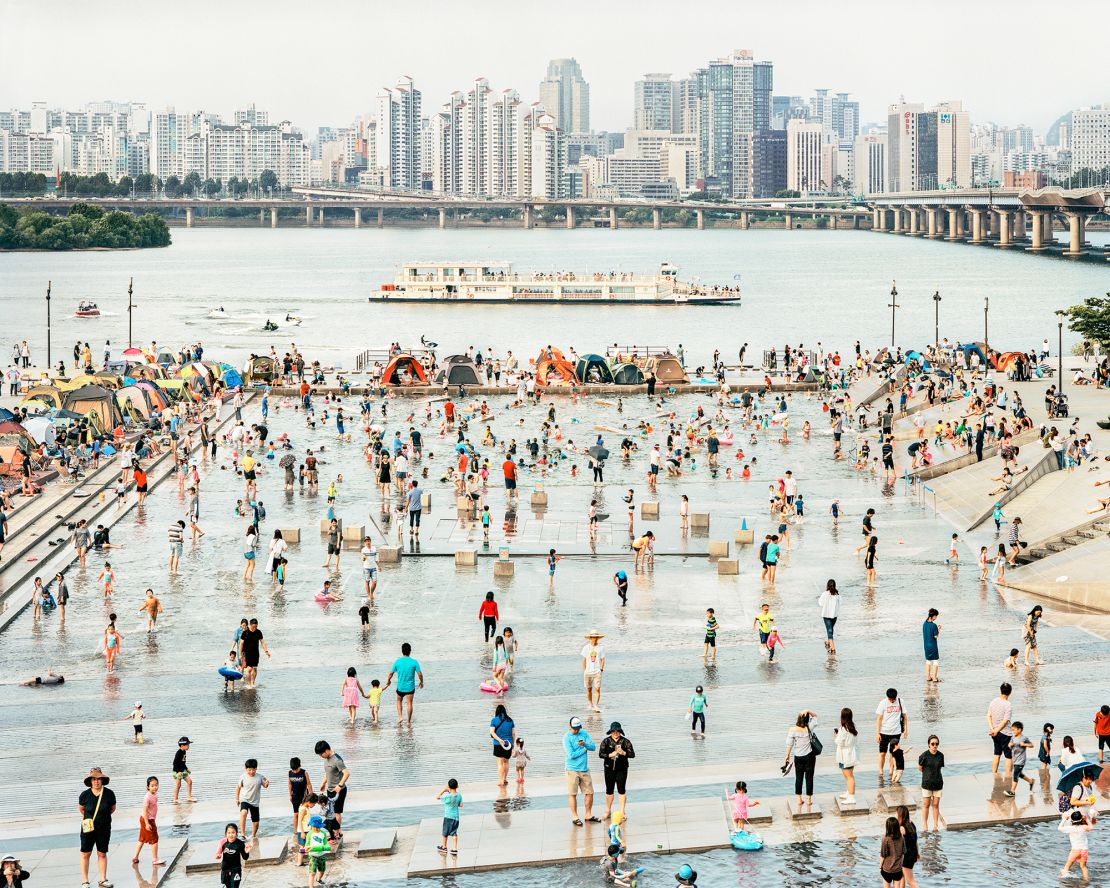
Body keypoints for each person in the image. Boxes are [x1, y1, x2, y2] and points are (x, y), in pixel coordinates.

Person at [78, 767, 116, 888]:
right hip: (88, 828)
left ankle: (103, 879)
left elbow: (112, 809)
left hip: (104, 828)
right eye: (94, 779)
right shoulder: (84, 795)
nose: (96, 781)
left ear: (102, 780)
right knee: (85, 854)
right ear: (90, 781)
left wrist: (102, 817)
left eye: (99, 779)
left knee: (102, 853)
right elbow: (82, 810)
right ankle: (85, 881)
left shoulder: (109, 794)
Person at [564, 716, 599, 825]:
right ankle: (575, 817)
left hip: (584, 769)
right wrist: (584, 749)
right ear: (570, 726)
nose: (576, 730)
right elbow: (571, 755)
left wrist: (584, 744)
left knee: (589, 792)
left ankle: (588, 815)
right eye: (574, 728)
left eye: (578, 728)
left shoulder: (584, 734)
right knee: (572, 793)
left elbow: (593, 747)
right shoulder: (566, 737)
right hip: (572, 769)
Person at [598, 721, 634, 820]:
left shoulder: (625, 741)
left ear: (620, 731)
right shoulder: (606, 741)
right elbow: (601, 754)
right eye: (613, 731)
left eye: (617, 731)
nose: (615, 733)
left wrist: (624, 753)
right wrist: (610, 755)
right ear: (610, 731)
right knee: (609, 790)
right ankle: (608, 810)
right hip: (609, 769)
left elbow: (632, 754)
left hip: (622, 769)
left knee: (621, 790)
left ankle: (622, 812)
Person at [314, 740, 351, 835]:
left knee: (337, 812)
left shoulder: (337, 760)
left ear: (326, 750)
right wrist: (323, 783)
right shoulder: (327, 760)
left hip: (339, 790)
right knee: (330, 812)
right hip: (330, 790)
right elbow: (329, 773)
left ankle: (336, 833)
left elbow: (346, 773)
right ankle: (338, 830)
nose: (320, 756)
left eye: (321, 754)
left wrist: (340, 785)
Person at [784, 710, 819, 808]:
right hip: (809, 756)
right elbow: (815, 717)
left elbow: (789, 744)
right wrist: (808, 711)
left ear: (798, 718)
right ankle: (808, 799)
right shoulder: (809, 727)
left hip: (798, 757)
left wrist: (787, 755)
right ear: (807, 719)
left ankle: (799, 799)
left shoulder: (792, 730)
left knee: (798, 777)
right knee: (809, 777)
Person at [385, 642, 423, 725]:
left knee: (399, 701)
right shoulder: (414, 662)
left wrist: (388, 680)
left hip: (400, 687)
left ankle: (400, 717)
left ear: (402, 651)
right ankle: (408, 722)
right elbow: (419, 674)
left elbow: (391, 673)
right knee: (409, 703)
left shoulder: (397, 661)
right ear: (410, 651)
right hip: (410, 687)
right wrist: (421, 682)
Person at [875, 688, 908, 778]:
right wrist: (877, 733)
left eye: (893, 699)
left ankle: (891, 770)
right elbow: (879, 719)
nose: (892, 701)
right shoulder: (883, 703)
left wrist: (905, 730)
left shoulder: (901, 701)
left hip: (896, 732)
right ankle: (881, 771)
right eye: (890, 699)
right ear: (887, 697)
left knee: (893, 753)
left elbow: (905, 716)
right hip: (884, 732)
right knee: (882, 753)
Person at [235, 758, 269, 841]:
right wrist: (237, 799)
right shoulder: (243, 777)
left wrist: (267, 783)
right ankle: (242, 834)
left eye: (253, 770)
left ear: (256, 768)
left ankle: (253, 835)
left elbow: (265, 785)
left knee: (256, 823)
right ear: (246, 769)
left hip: (255, 802)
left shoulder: (260, 777)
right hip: (244, 799)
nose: (251, 772)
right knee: (243, 812)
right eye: (249, 770)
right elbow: (238, 788)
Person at [918, 735, 944, 833]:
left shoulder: (941, 755)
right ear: (929, 744)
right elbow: (920, 768)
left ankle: (935, 825)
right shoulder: (924, 755)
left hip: (938, 783)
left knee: (936, 804)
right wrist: (927, 775)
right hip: (926, 783)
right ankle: (925, 824)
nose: (935, 746)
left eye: (936, 744)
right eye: (932, 744)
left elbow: (939, 767)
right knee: (926, 804)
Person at [987, 682, 1014, 776]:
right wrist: (997, 730)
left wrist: (992, 729)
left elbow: (988, 716)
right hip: (1005, 733)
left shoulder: (993, 701)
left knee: (997, 753)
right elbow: (1005, 721)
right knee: (1008, 755)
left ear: (1000, 690)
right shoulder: (1008, 704)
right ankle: (1008, 775)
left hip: (994, 732)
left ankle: (994, 773)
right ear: (1010, 692)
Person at [1059, 809, 1092, 882]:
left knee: (1067, 866)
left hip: (1075, 850)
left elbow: (1059, 828)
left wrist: (1064, 819)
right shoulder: (1084, 827)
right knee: (1083, 867)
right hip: (1084, 850)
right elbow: (1091, 827)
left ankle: (1063, 882)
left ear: (1072, 820)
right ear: (1081, 819)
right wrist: (1087, 820)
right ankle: (1086, 881)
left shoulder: (1070, 828)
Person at [834, 707, 859, 805]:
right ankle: (849, 792)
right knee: (848, 775)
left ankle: (852, 797)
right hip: (850, 753)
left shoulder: (843, 729)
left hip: (845, 754)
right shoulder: (852, 726)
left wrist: (836, 736)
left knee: (849, 776)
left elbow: (840, 742)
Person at [238, 618, 271, 689]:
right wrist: (240, 654)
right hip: (247, 653)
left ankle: (253, 683)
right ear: (250, 625)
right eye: (253, 626)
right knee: (249, 669)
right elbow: (241, 644)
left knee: (255, 669)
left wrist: (266, 651)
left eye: (256, 626)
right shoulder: (245, 633)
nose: (255, 628)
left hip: (256, 653)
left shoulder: (258, 632)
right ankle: (249, 684)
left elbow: (262, 642)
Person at [1004, 721, 1035, 797]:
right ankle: (1031, 781)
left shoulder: (1024, 738)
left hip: (1021, 760)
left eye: (1014, 729)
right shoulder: (1013, 737)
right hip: (1015, 759)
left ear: (1019, 730)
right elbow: (1009, 745)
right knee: (1019, 774)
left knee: (1015, 774)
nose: (1013, 731)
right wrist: (1010, 745)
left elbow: (1032, 745)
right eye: (1012, 729)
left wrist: (1024, 744)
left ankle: (1012, 791)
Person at [215, 822, 249, 888]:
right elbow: (217, 853)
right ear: (226, 834)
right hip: (225, 869)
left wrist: (246, 852)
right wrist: (218, 856)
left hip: (236, 870)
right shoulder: (222, 842)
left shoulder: (240, 844)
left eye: (233, 832)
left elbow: (245, 858)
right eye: (229, 833)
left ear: (236, 833)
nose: (231, 835)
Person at [489, 703, 515, 786]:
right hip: (509, 744)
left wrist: (500, 740)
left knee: (500, 763)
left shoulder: (494, 720)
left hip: (498, 744)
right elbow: (513, 733)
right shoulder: (510, 720)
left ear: (497, 711)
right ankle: (505, 779)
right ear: (505, 711)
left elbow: (492, 732)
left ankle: (501, 781)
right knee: (506, 762)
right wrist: (513, 744)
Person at [435, 778, 462, 855]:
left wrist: (444, 790)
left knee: (445, 833)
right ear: (457, 786)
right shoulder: (459, 795)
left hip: (448, 817)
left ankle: (444, 847)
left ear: (449, 787)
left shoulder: (447, 797)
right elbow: (461, 805)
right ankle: (454, 848)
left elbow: (437, 797)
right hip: (456, 817)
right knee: (454, 833)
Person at [581, 630, 606, 712]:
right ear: (590, 638)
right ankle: (590, 703)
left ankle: (596, 705)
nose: (594, 639)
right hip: (588, 672)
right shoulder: (586, 648)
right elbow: (584, 660)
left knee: (597, 689)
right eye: (593, 637)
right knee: (589, 689)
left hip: (597, 671)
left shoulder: (601, 648)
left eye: (596, 637)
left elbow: (602, 659)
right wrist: (584, 670)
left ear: (598, 638)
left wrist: (601, 668)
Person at [897, 804, 919, 888]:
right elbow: (915, 841)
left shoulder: (902, 828)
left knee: (911, 881)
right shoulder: (912, 825)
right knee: (902, 876)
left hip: (906, 856)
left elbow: (900, 844)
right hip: (913, 854)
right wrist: (917, 852)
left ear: (900, 815)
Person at [879, 816, 905, 887]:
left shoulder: (885, 839)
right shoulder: (901, 838)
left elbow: (882, 855)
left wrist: (880, 866)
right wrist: (900, 865)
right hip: (898, 869)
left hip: (887, 869)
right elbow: (903, 853)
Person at [818, 579, 840, 654]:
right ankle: (828, 643)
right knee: (830, 630)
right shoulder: (837, 595)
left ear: (827, 585)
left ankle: (833, 649)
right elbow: (841, 603)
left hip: (826, 615)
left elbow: (820, 603)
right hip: (834, 616)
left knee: (830, 631)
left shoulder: (825, 594)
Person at [172, 736, 194, 803]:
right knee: (178, 785)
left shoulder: (184, 752)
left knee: (189, 781)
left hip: (183, 770)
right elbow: (175, 763)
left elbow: (183, 762)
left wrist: (187, 769)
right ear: (182, 745)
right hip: (177, 771)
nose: (188, 746)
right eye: (187, 745)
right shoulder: (178, 753)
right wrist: (178, 772)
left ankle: (189, 797)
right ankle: (175, 799)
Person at [922, 608, 940, 683]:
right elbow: (935, 636)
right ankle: (935, 678)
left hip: (926, 646)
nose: (936, 618)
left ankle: (928, 677)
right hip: (933, 645)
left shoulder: (924, 624)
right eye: (936, 616)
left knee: (928, 661)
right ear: (933, 616)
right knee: (935, 661)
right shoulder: (934, 625)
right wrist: (938, 629)